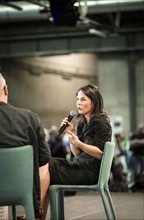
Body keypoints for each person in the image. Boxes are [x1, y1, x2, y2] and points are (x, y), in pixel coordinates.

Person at [41, 84, 112, 219]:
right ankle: (39, 216)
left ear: (94, 101)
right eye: (77, 99)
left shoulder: (101, 122)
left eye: (83, 99)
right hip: (79, 166)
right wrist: (71, 134)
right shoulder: (82, 122)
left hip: (90, 172)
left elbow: (100, 153)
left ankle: (36, 215)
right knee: (45, 167)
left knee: (47, 163)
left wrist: (78, 142)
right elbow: (78, 154)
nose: (78, 103)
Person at [0, 72, 51, 219]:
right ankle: (36, 211)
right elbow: (44, 160)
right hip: (21, 190)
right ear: (6, 89)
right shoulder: (29, 118)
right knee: (45, 166)